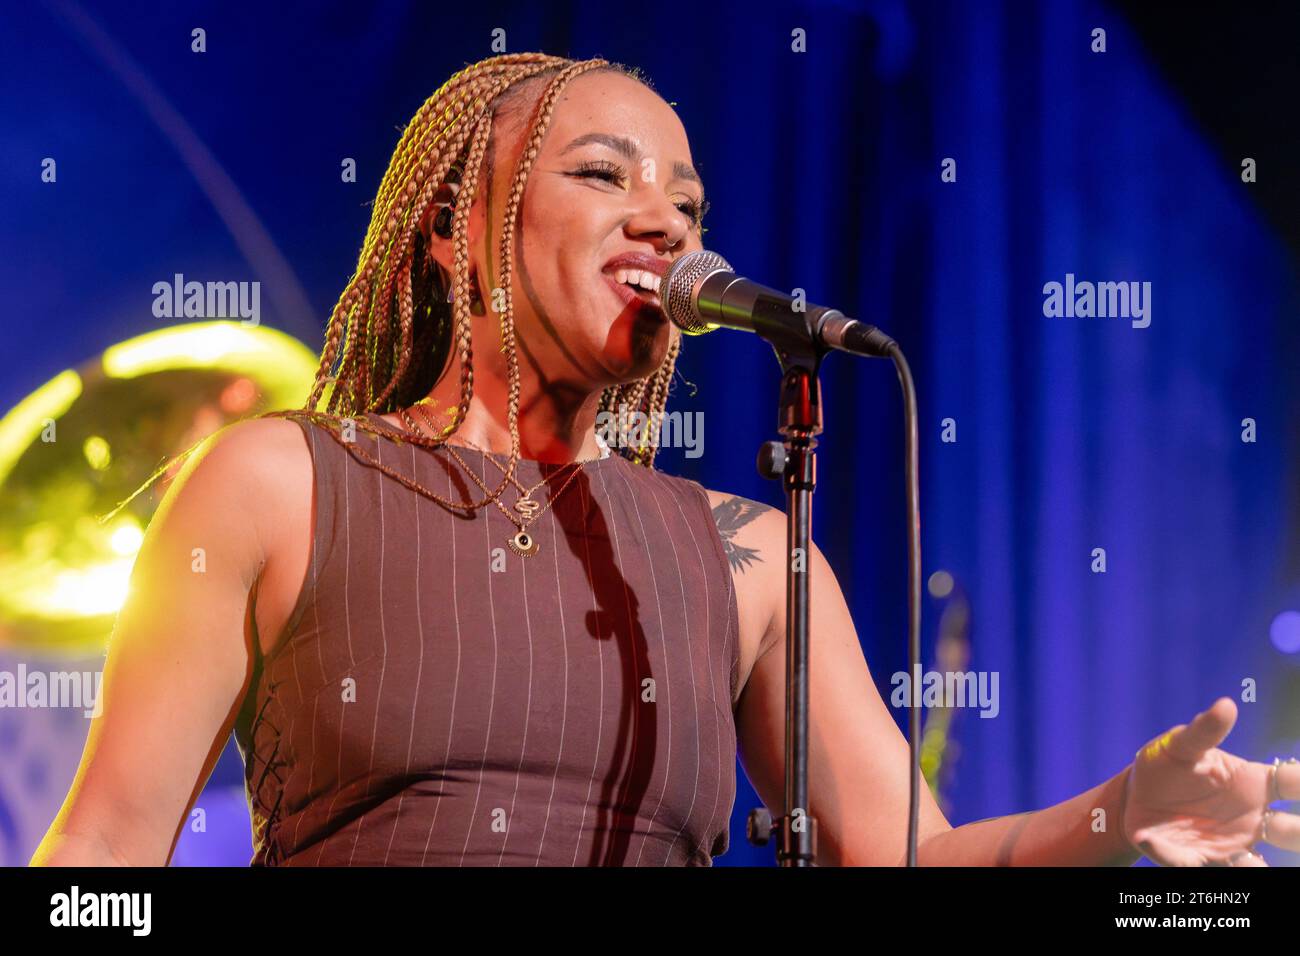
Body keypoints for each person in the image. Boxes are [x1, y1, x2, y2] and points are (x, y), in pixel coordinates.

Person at [30, 53, 1299, 867]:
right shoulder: (280, 483)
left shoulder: (746, 552)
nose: (665, 219)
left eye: (687, 204)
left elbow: (911, 859)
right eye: (601, 174)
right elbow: (102, 853)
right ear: (452, 231)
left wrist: (1119, 815)